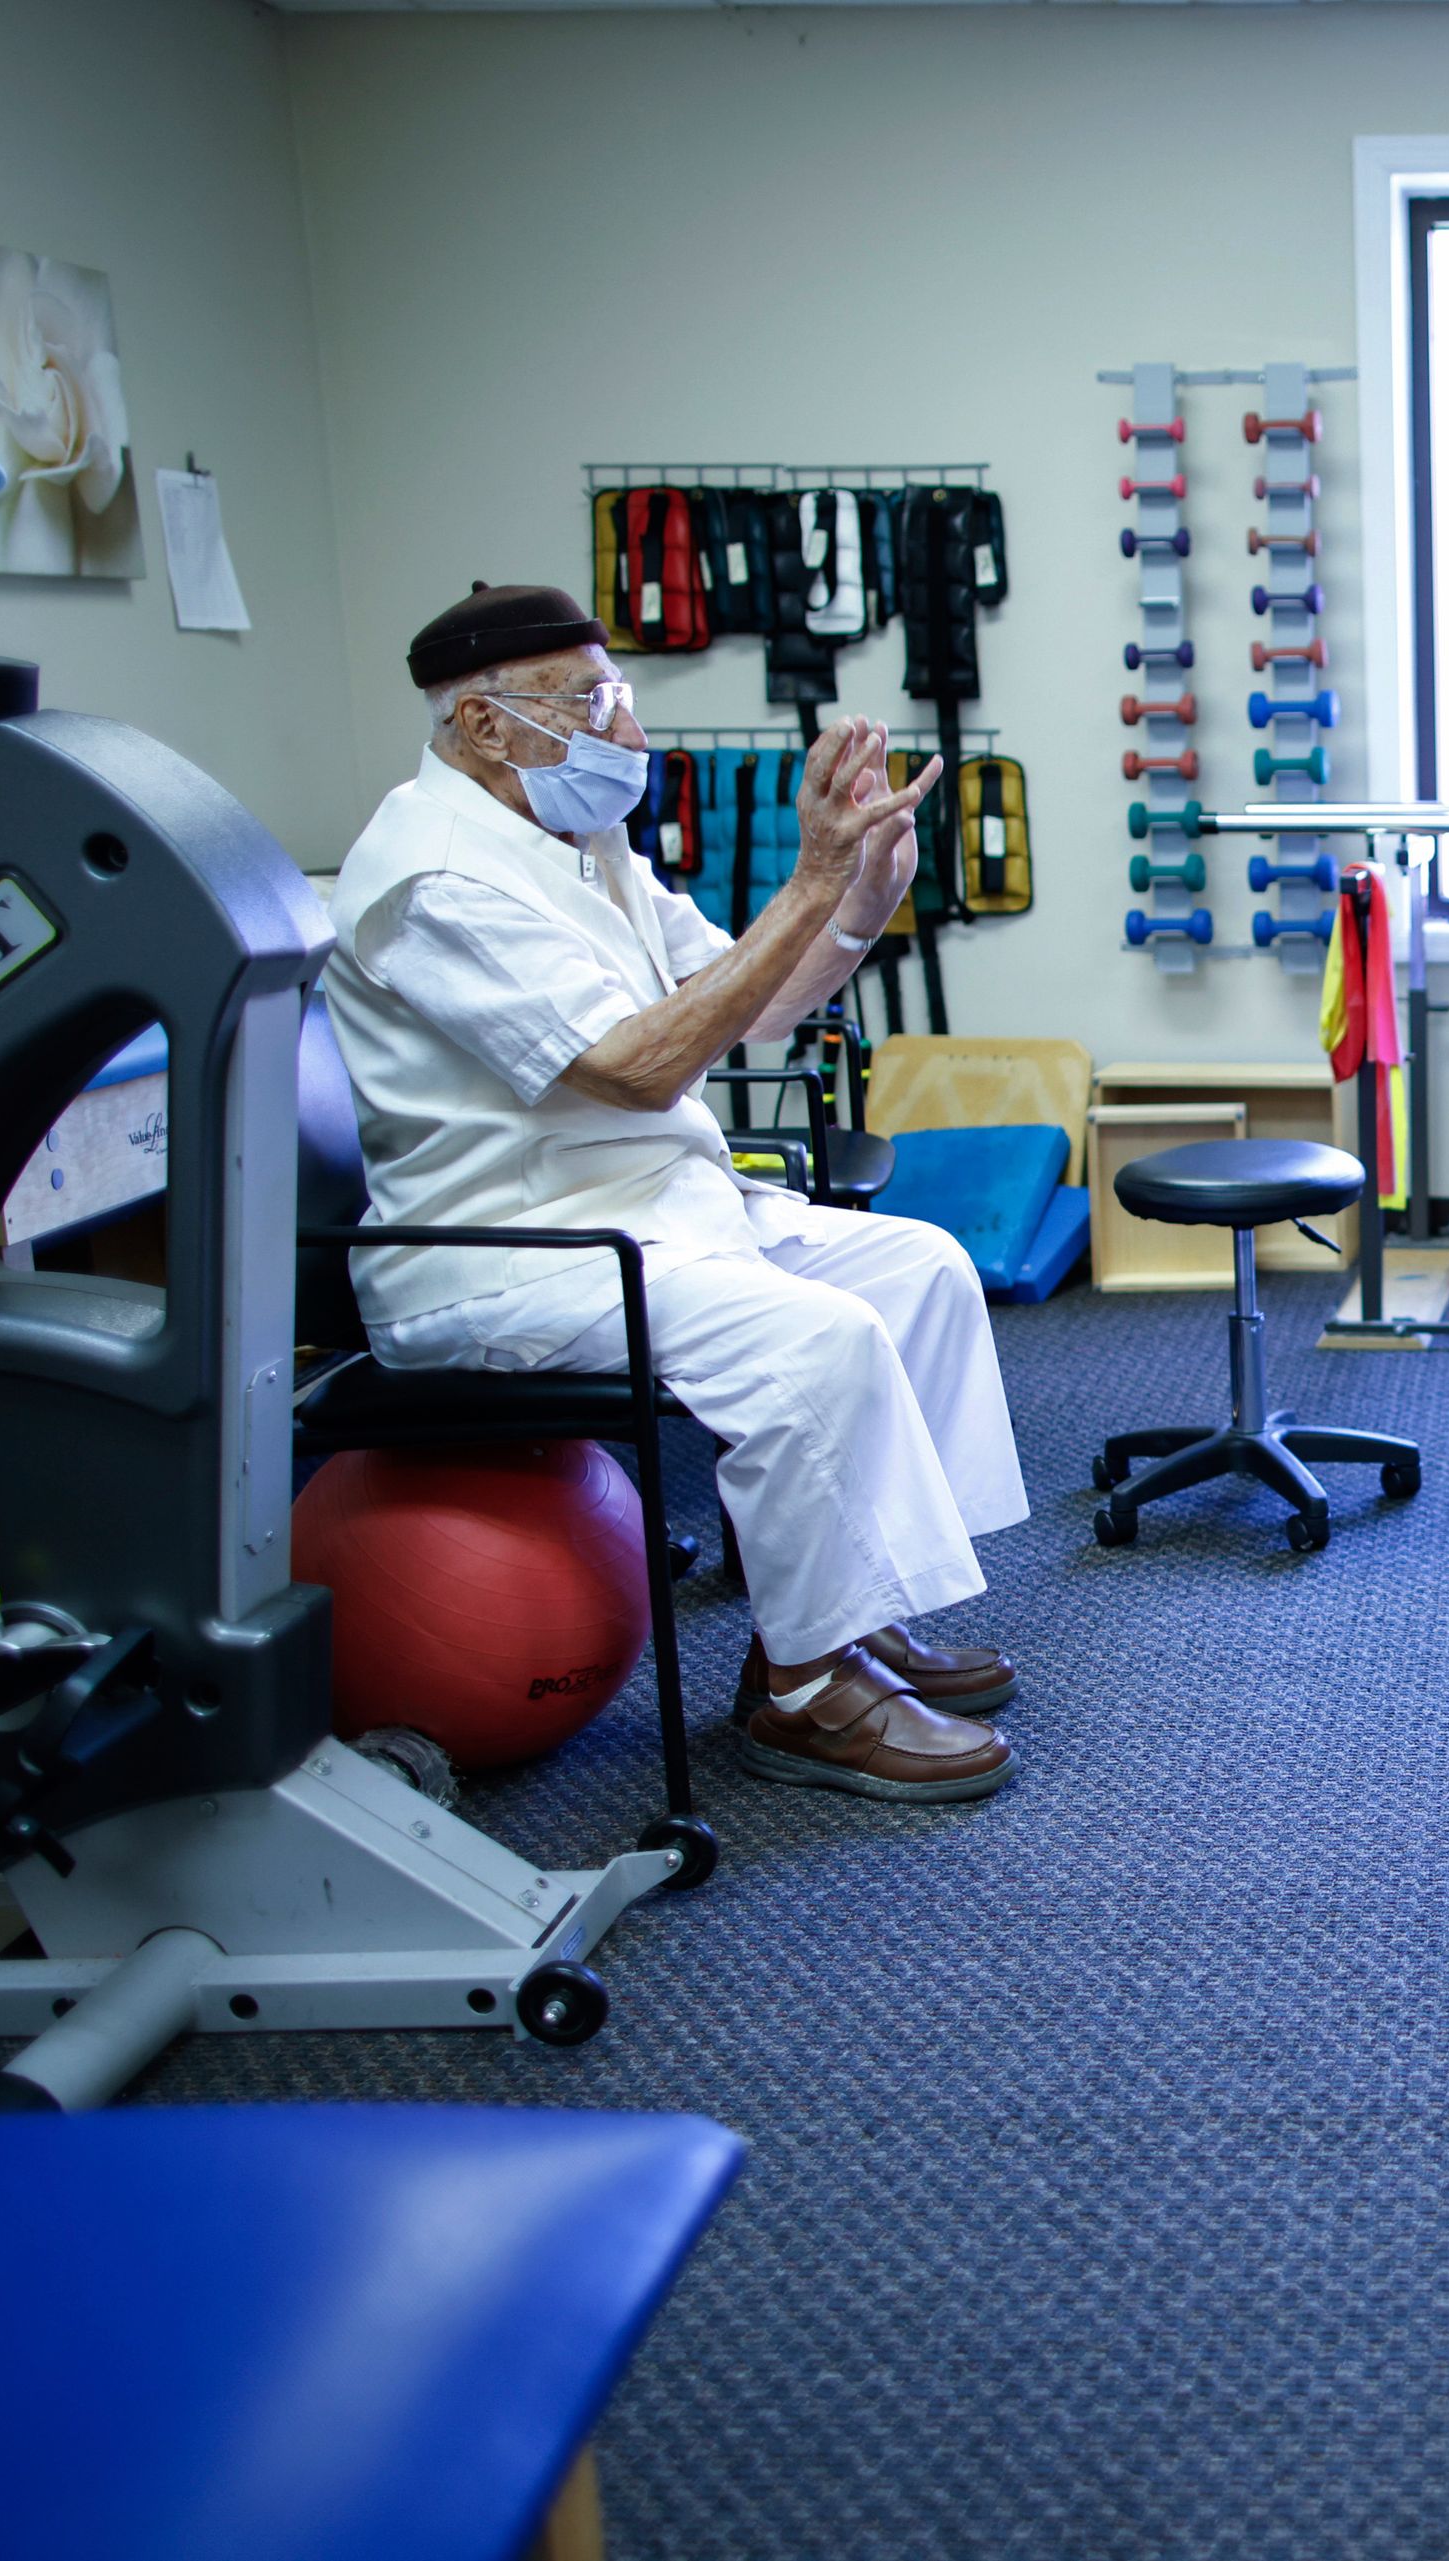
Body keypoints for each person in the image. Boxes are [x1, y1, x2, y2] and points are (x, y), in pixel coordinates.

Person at [323, 581, 1028, 1805]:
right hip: (512, 1247)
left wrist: (861, 898)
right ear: (485, 725)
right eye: (593, 701)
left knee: (919, 1269)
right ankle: (803, 1691)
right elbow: (644, 1068)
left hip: (656, 1209)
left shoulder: (575, 845)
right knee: (815, 1339)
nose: (628, 734)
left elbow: (746, 1002)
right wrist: (807, 881)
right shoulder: (430, 877)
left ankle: (850, 1613)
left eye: (621, 697)